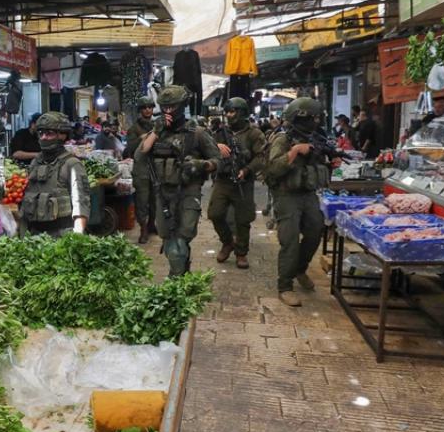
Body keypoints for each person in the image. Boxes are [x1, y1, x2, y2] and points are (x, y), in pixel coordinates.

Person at [138, 85, 220, 276]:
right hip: (162, 193)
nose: (168, 111)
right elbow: (140, 156)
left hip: (188, 191)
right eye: (164, 107)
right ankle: (182, 269)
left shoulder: (197, 133)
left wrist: (202, 165)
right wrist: (156, 132)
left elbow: (218, 160)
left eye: (172, 107)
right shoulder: (156, 132)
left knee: (181, 240)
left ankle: (177, 278)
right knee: (168, 239)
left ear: (182, 106)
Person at [265, 96, 331, 307]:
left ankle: (300, 269)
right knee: (290, 240)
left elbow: (320, 163)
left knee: (315, 230)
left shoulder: (316, 138)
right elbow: (273, 169)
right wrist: (294, 152)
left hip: (308, 194)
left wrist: (328, 160)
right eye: (312, 118)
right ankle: (285, 286)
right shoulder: (282, 140)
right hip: (286, 195)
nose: (315, 122)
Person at [208, 97, 267, 270]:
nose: (228, 115)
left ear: (241, 113)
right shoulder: (220, 132)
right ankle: (227, 242)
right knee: (215, 213)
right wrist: (216, 146)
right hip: (223, 180)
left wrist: (247, 170)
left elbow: (261, 156)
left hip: (243, 182)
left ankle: (241, 253)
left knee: (243, 219)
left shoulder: (254, 134)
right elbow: (207, 148)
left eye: (232, 111)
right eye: (227, 112)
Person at [20, 111, 89, 236]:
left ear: (63, 136)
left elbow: (81, 205)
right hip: (34, 235)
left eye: (49, 133)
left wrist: (77, 238)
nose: (44, 137)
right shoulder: (36, 162)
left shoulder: (72, 164)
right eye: (41, 133)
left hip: (61, 236)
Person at [124, 96, 158, 244]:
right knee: (142, 201)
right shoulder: (134, 129)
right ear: (140, 110)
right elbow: (129, 150)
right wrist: (142, 139)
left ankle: (151, 224)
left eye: (150, 107)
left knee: (155, 200)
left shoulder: (158, 125)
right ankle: (143, 228)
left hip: (156, 167)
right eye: (144, 107)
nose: (148, 110)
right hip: (141, 167)